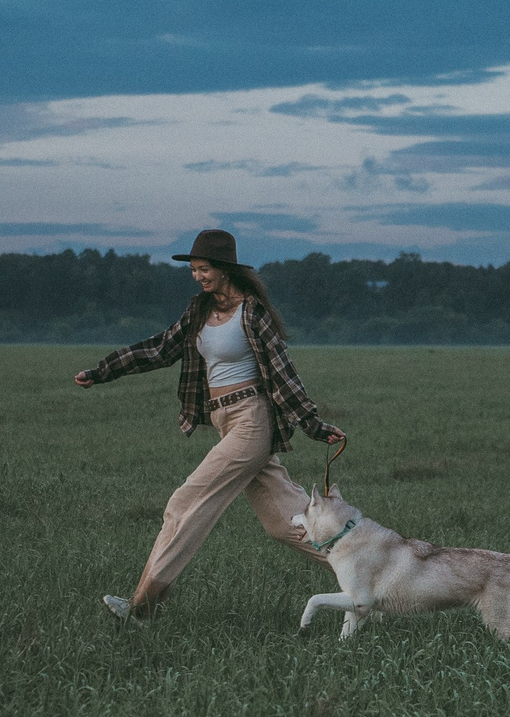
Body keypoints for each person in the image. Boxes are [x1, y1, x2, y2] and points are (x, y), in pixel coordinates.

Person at [74, 229, 346, 619]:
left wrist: (313, 424)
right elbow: (160, 349)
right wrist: (102, 372)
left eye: (204, 269)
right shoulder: (199, 310)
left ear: (224, 269)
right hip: (226, 421)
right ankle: (377, 577)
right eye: (194, 269)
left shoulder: (252, 313)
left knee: (185, 504)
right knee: (286, 524)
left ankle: (141, 609)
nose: (197, 276)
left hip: (252, 420)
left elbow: (283, 373)